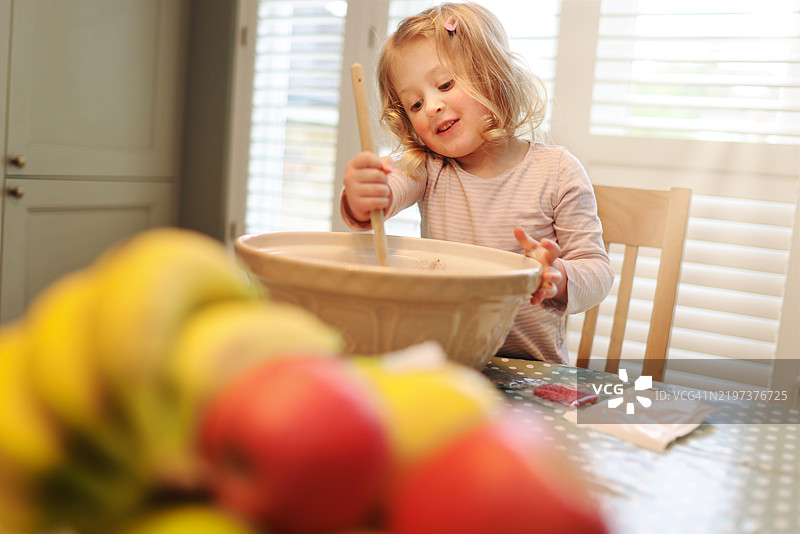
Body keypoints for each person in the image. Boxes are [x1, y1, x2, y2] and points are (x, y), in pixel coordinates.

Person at [340, 2, 613, 363]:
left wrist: (558, 276)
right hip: (447, 364)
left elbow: (597, 270)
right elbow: (384, 196)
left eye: (445, 84)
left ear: (492, 74)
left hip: (532, 372)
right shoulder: (427, 167)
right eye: (415, 104)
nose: (432, 106)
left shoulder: (558, 170)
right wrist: (363, 194)